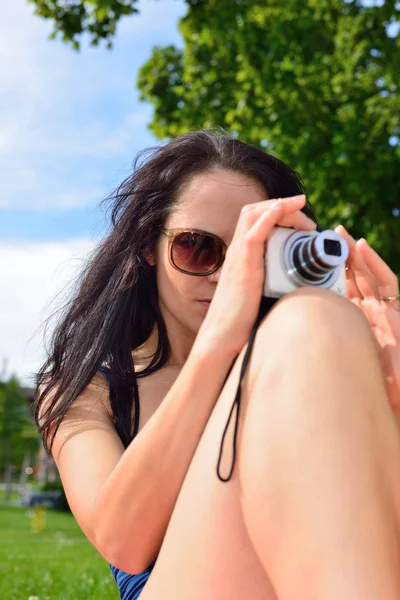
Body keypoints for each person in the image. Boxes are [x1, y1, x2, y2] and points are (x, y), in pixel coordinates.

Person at [34, 129, 400, 600]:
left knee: (317, 318)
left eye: (255, 251)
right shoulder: (85, 389)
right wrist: (221, 341)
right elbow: (122, 540)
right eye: (198, 247)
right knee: (311, 318)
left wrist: (389, 391)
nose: (228, 274)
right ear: (149, 245)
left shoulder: (301, 352)